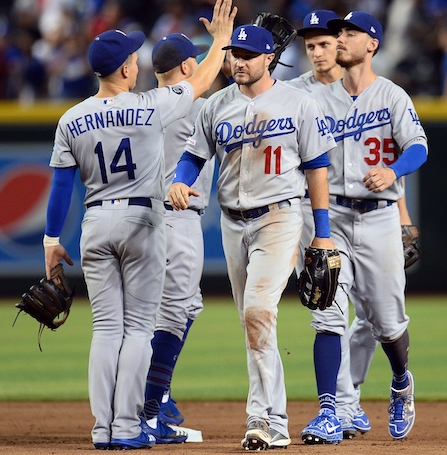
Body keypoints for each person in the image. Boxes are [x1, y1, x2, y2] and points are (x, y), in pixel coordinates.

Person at [41, 0, 237, 450]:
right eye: (132, 58)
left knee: (106, 330)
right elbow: (201, 80)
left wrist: (53, 240)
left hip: (94, 221)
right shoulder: (149, 106)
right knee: (139, 331)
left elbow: (60, 189)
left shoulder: (71, 118)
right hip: (144, 220)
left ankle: (101, 429)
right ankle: (130, 426)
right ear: (127, 69)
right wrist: (222, 42)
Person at [167, 24, 337, 451]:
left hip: (279, 218)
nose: (237, 61)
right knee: (251, 320)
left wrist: (324, 235)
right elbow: (192, 156)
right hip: (232, 222)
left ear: (268, 59)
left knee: (260, 311)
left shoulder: (299, 103)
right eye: (233, 54)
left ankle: (268, 419)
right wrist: (179, 181)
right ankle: (267, 415)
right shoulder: (215, 106)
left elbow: (317, 169)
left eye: (246, 54)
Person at [289, 9, 420, 440]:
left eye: (350, 33)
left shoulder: (392, 96)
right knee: (326, 311)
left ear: (372, 44)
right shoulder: (311, 99)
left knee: (386, 322)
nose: (341, 38)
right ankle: (331, 411)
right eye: (338, 32)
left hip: (378, 216)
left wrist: (393, 170)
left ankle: (401, 380)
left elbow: (418, 148)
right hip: (329, 216)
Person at [140, 32, 217, 443]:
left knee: (184, 308)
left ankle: (155, 398)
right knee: (171, 315)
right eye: (197, 62)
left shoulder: (145, 104)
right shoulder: (193, 106)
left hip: (147, 220)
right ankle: (149, 413)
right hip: (177, 219)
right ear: (187, 68)